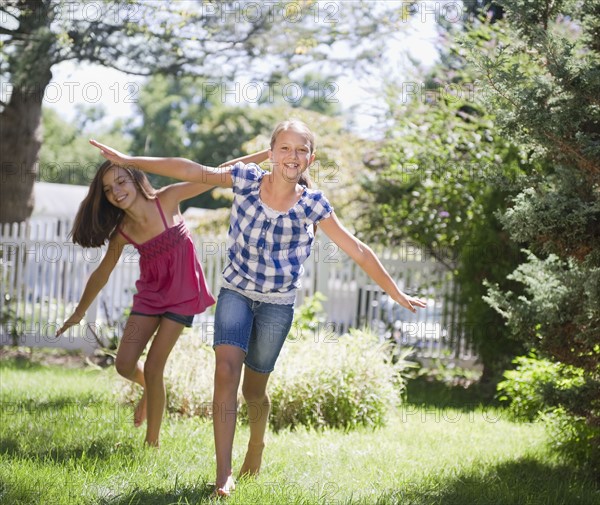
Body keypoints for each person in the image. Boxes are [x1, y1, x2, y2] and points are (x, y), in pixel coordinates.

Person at [89, 120, 427, 495]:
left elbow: (359, 250)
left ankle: (256, 444)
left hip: (276, 305)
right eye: (284, 148)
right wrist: (128, 160)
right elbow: (190, 170)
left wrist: (396, 292)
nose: (292, 156)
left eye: (301, 150)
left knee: (254, 391)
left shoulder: (313, 204)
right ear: (271, 153)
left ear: (310, 159)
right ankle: (224, 472)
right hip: (235, 292)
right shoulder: (246, 179)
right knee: (225, 371)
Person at [56, 148, 269, 448]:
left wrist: (265, 155)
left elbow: (216, 171)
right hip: (150, 297)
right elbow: (102, 272)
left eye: (121, 182)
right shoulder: (124, 231)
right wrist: (79, 313)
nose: (116, 192)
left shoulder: (166, 200)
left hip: (182, 295)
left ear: (135, 178)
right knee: (124, 364)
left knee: (155, 366)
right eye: (108, 189)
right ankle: (150, 388)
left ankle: (151, 443)